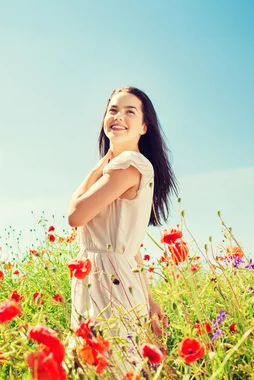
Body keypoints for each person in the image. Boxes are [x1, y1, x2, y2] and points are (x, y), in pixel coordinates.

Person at [67, 86, 179, 373]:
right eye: (113, 110)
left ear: (144, 126)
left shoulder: (128, 167)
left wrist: (95, 170)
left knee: (109, 365)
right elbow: (132, 247)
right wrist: (150, 299)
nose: (118, 116)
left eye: (130, 111)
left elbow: (75, 215)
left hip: (107, 279)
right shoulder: (127, 166)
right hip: (116, 274)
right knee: (113, 363)